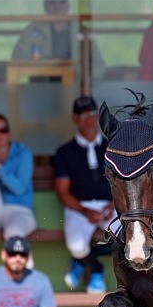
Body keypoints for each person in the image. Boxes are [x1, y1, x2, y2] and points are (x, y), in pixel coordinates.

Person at [54, 95, 117, 294]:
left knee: (127, 238)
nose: (88, 120)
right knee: (77, 245)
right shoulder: (65, 152)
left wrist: (113, 205)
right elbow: (63, 192)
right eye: (83, 116)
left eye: (92, 115)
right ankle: (95, 267)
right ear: (75, 119)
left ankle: (81, 262)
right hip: (80, 207)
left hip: (111, 205)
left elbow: (124, 182)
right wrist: (85, 210)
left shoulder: (112, 147)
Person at [12, 0, 105, 81]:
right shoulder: (33, 30)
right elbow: (17, 59)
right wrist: (44, 63)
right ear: (46, 6)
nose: (57, 7)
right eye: (52, 2)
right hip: (42, 86)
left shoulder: (81, 30)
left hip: (75, 85)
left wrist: (85, 80)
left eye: (62, 2)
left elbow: (97, 64)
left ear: (68, 5)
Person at [0, 113, 36, 239]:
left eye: (3, 130)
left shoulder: (22, 153)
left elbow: (19, 189)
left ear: (9, 132)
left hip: (19, 210)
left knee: (13, 234)